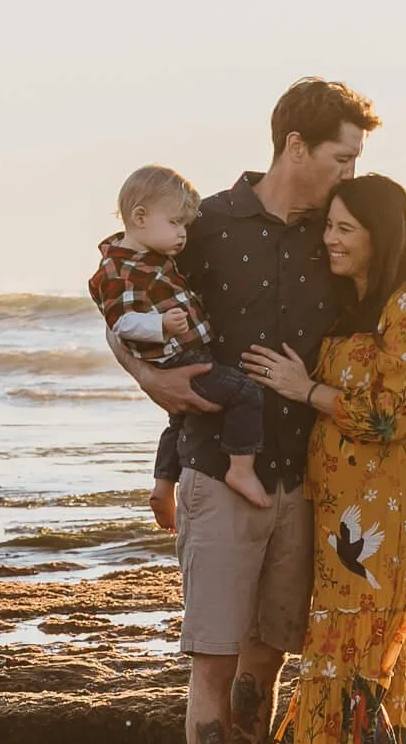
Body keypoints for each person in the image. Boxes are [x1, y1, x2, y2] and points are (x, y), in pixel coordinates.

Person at [107, 78, 406, 744]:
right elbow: (125, 289)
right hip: (218, 473)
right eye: (342, 156)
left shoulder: (335, 237)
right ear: (296, 147)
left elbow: (404, 311)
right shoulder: (206, 225)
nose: (350, 174)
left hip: (309, 488)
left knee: (266, 661)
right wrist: (144, 376)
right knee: (213, 662)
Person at [243, 174, 406, 744]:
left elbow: (392, 414)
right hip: (348, 519)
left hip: (394, 516)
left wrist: (305, 389)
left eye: (344, 229)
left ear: (379, 236)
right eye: (327, 226)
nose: (329, 239)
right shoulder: (354, 306)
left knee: (349, 664)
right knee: (375, 667)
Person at [88, 165, 272, 512]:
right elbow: (121, 323)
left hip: (183, 352)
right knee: (246, 393)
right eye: (174, 223)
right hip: (178, 357)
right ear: (140, 217)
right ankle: (241, 469)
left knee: (181, 420)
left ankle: (162, 485)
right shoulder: (118, 270)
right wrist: (160, 325)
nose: (183, 234)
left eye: (184, 225)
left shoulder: (152, 257)